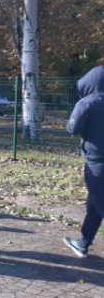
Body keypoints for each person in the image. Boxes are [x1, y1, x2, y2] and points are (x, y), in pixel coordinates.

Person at [64, 65, 104, 258]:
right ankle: (83, 242)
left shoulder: (87, 103)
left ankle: (83, 242)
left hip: (96, 162)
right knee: (95, 203)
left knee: (100, 202)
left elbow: (72, 128)